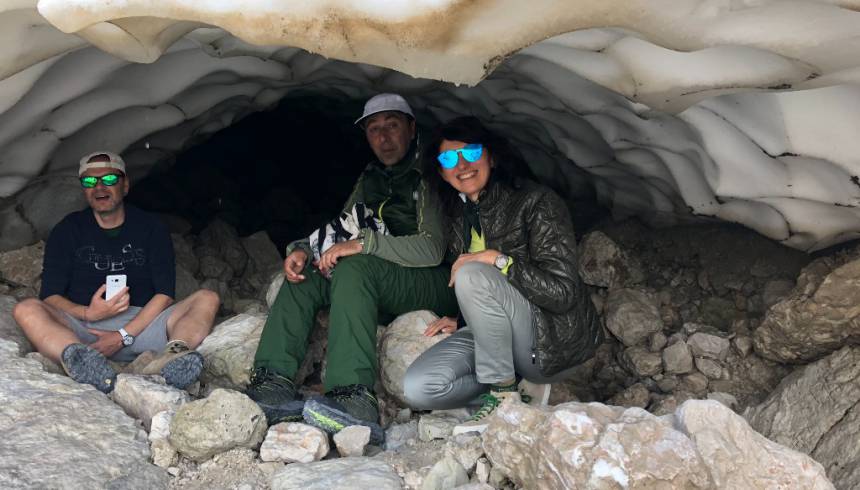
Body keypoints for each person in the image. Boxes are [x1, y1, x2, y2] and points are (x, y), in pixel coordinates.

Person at [247, 94, 458, 442]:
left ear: (412, 127)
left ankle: (354, 398)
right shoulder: (372, 177)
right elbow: (343, 228)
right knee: (308, 273)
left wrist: (365, 245)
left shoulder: (430, 172)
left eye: (392, 125)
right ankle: (272, 383)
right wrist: (301, 249)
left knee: (354, 267)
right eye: (374, 129)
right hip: (385, 277)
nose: (384, 137)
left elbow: (432, 248)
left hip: (436, 279)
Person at [402, 116, 603, 434]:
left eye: (470, 153)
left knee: (471, 271)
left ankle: (502, 396)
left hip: (548, 338)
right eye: (449, 158)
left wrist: (500, 261)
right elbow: (484, 293)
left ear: (491, 157)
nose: (462, 164)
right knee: (418, 388)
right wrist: (466, 318)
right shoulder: (459, 213)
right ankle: (512, 385)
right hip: (500, 337)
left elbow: (563, 293)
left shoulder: (537, 202)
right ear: (441, 171)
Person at [13, 151, 220, 393]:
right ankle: (81, 361)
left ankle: (173, 358)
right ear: (84, 190)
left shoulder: (150, 227)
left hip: (144, 326)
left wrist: (123, 335)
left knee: (208, 298)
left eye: (109, 180)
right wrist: (87, 312)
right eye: (90, 182)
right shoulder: (68, 230)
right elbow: (50, 295)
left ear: (125, 185)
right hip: (84, 329)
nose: (99, 187)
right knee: (25, 308)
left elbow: (164, 293)